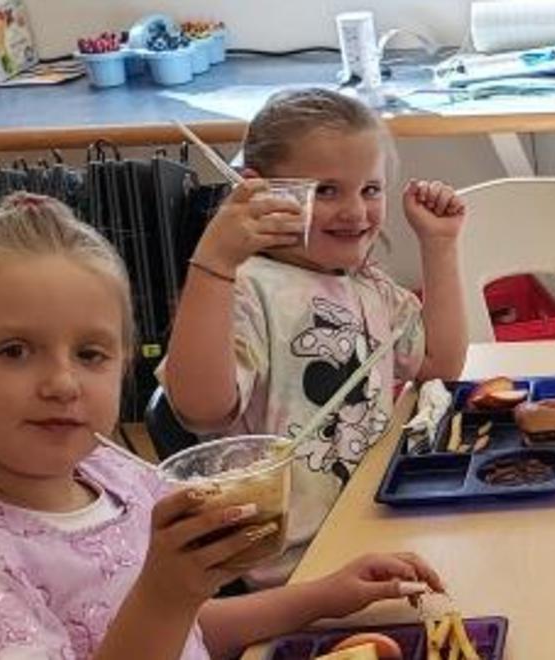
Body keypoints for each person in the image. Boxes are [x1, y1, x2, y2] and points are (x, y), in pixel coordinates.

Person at [0, 194, 447, 659]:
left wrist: (321, 598)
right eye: (15, 350)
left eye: (90, 354)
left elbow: (184, 632)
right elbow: (163, 616)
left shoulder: (107, 472)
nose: (63, 383)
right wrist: (166, 596)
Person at [162, 88, 468, 587]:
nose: (355, 212)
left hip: (377, 525)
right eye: (326, 190)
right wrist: (213, 265)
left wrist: (439, 245)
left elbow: (439, 365)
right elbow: (200, 407)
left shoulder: (367, 284)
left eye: (370, 189)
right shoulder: (245, 288)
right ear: (259, 190)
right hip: (294, 571)